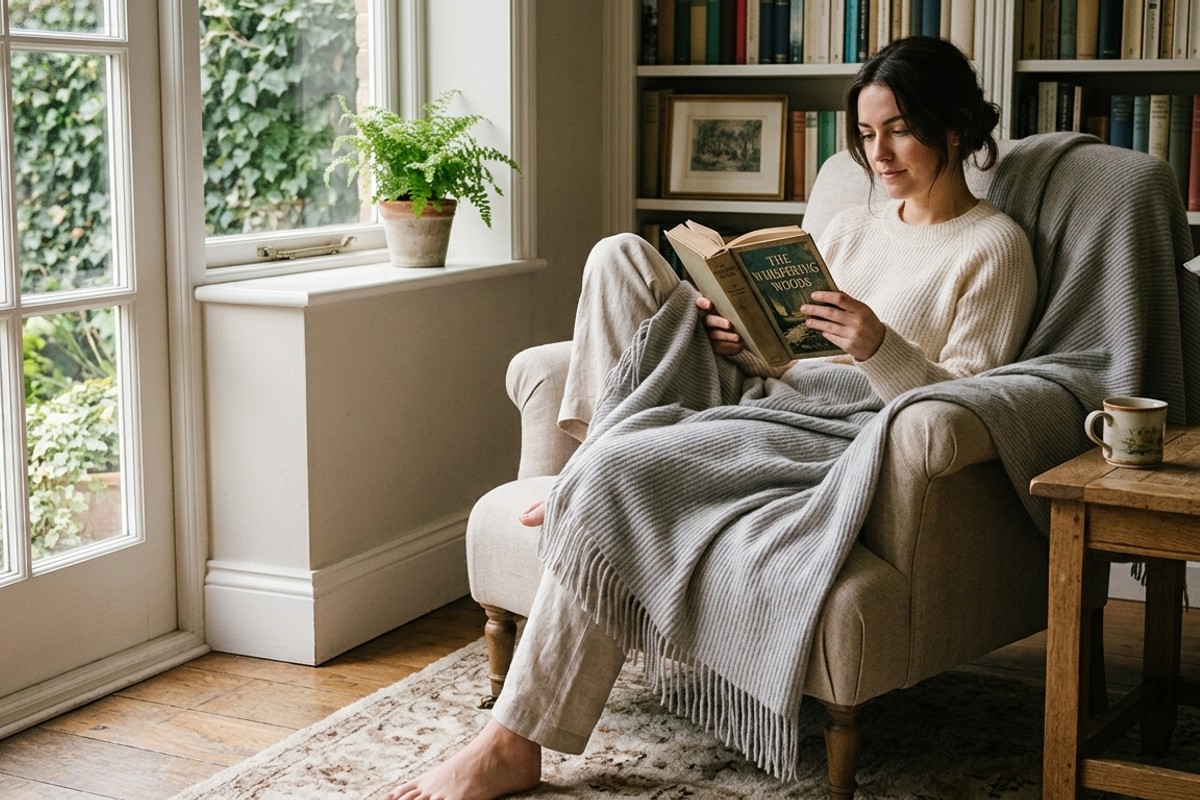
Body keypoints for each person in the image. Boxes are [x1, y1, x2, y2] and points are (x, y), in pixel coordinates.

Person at [384, 35, 1036, 800]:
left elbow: (971, 403)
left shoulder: (994, 247)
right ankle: (592, 457)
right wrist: (732, 331)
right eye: (865, 134)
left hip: (840, 432)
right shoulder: (855, 227)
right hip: (770, 393)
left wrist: (878, 345)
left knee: (620, 478)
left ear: (954, 127)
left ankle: (511, 741)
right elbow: (789, 350)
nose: (879, 152)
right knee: (619, 255)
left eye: (897, 128)